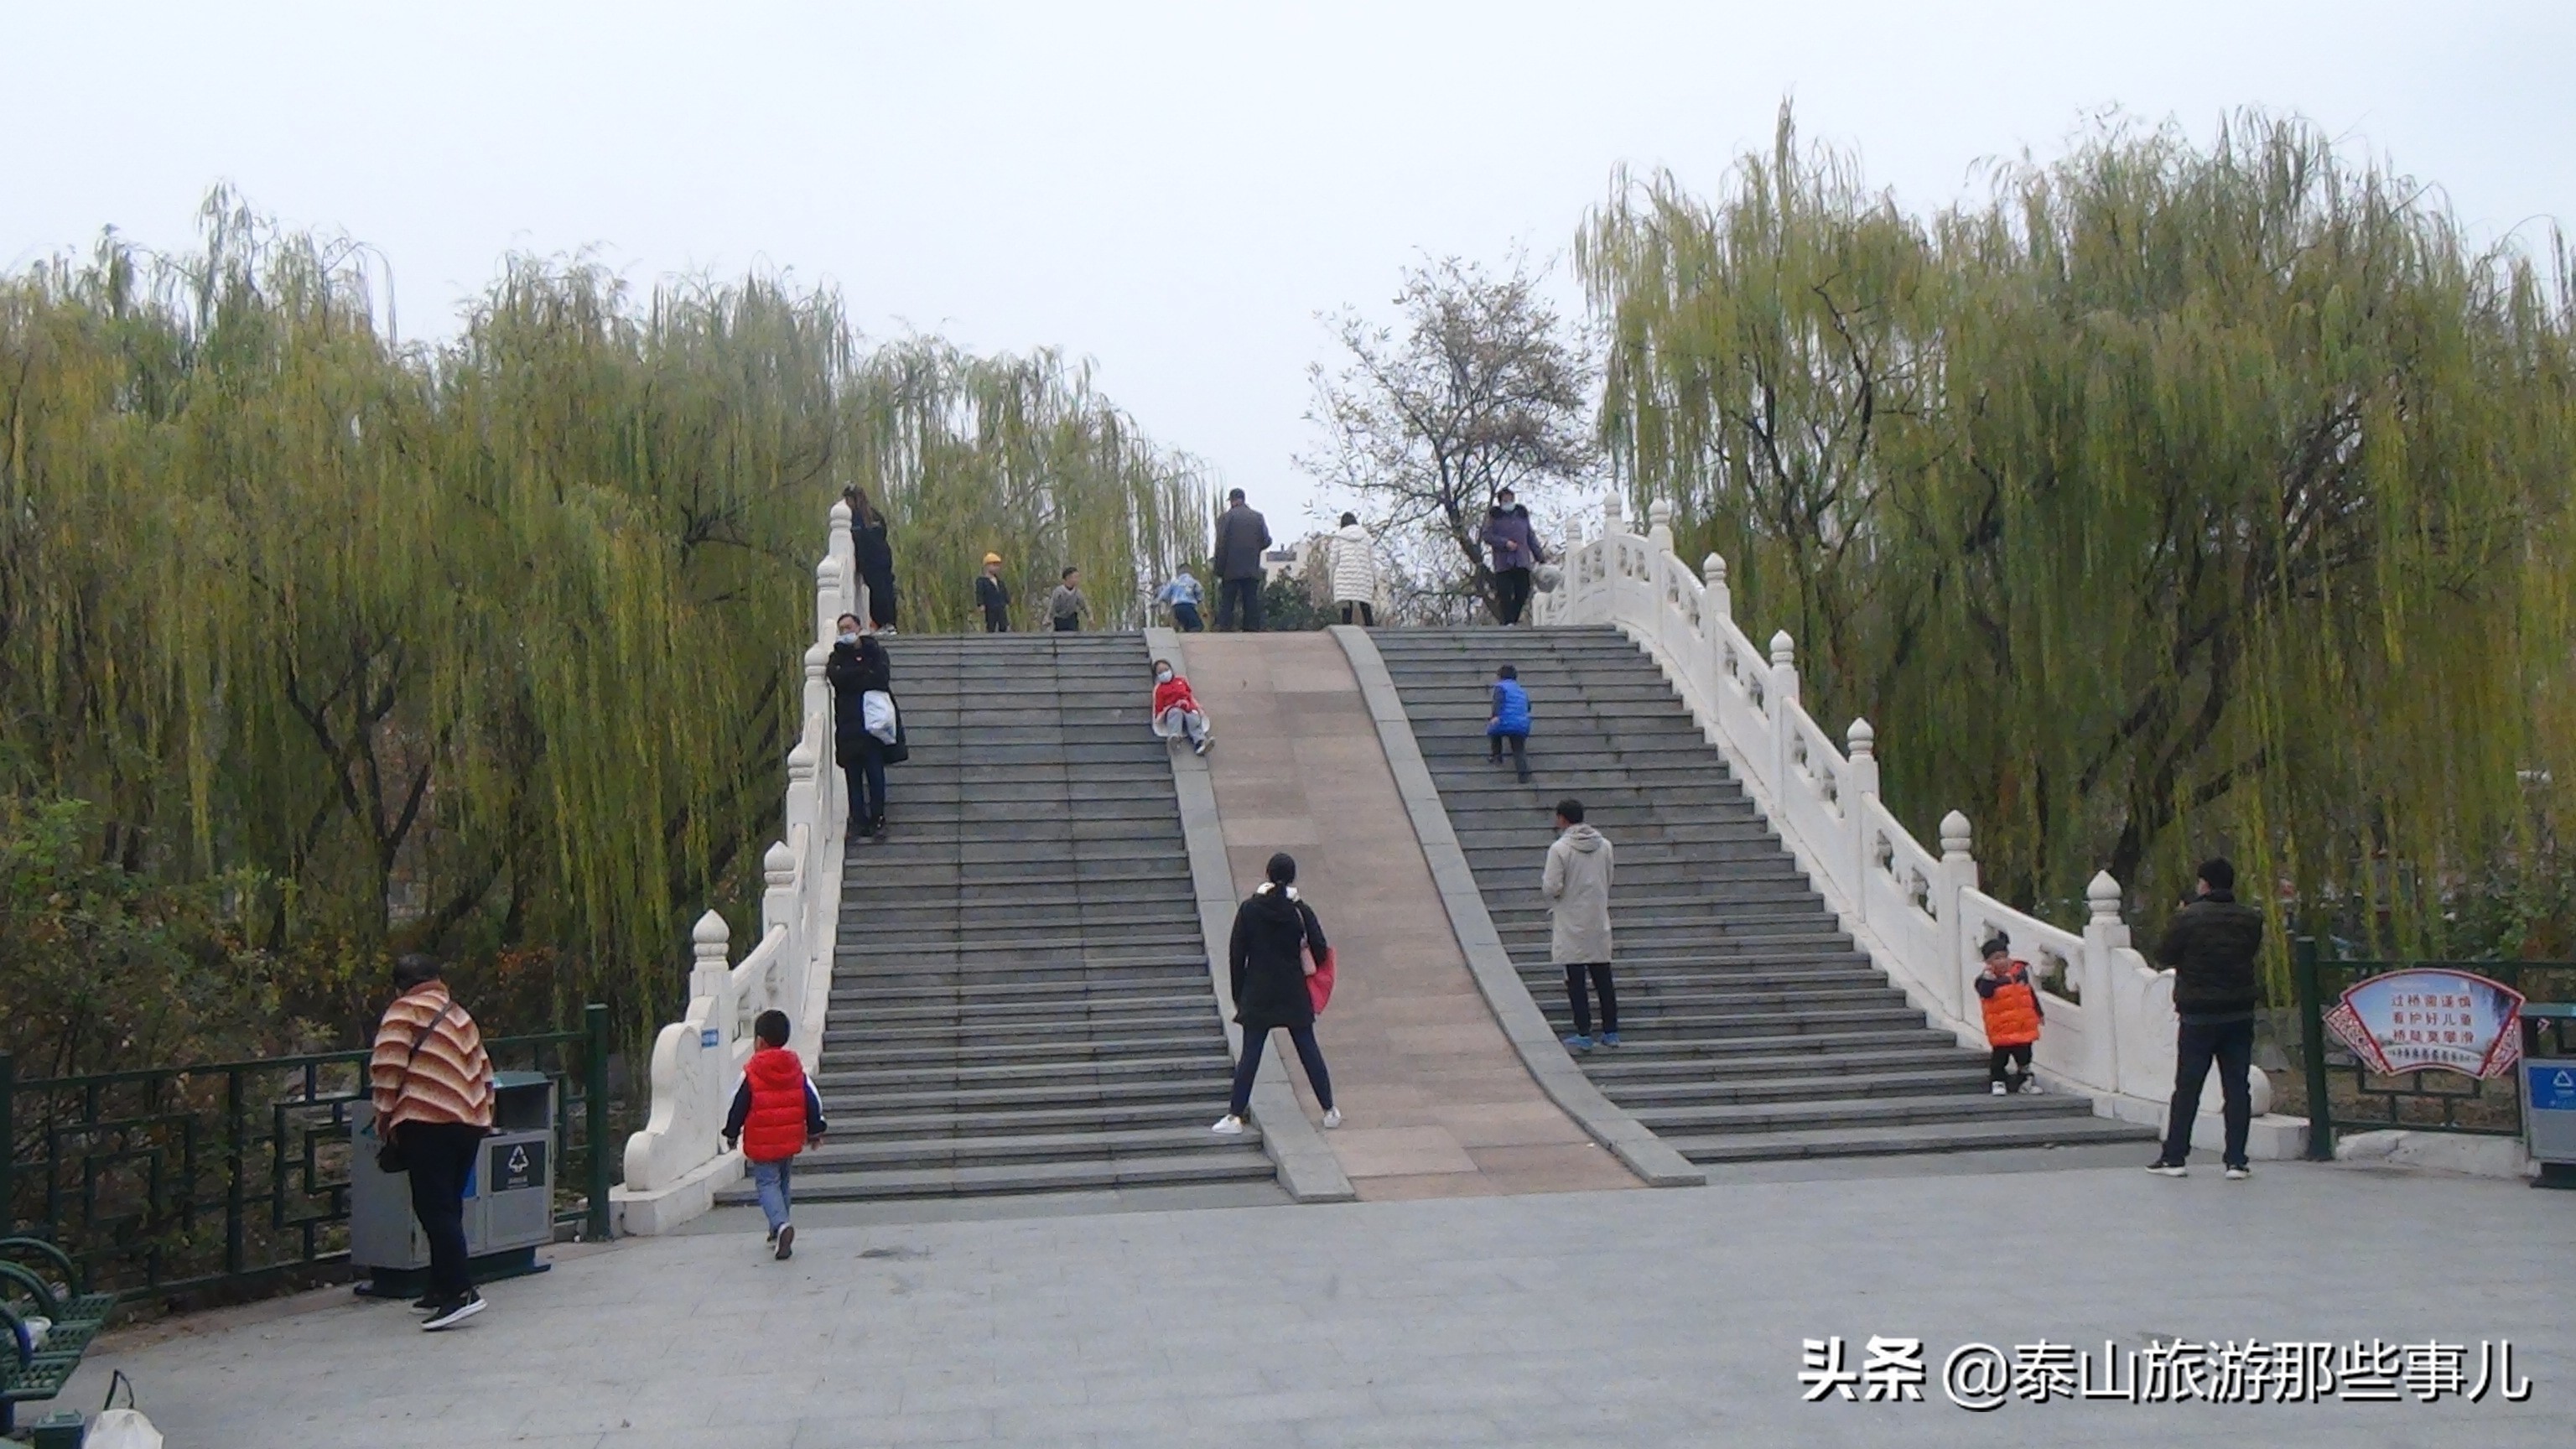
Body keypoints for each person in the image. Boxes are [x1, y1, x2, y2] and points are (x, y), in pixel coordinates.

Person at [368, 953, 494, 1332]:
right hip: (469, 1121)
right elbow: (485, 1070)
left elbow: (387, 1068)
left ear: (399, 986)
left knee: (434, 1208)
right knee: (448, 1205)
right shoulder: (458, 1014)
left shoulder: (403, 1012)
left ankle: (461, 1292)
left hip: (427, 1120)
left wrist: (384, 1119)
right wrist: (484, 1115)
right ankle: (439, 1286)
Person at [2147, 857, 2265, 1181]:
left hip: (2198, 1013)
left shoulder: (2188, 918)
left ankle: (2175, 1157)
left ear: (2204, 884)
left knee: (2188, 1086)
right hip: (2239, 1011)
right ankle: (2237, 1161)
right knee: (2237, 1087)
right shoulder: (2250, 919)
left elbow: (2164, 954)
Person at [1213, 853, 1341, 1135]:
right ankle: (1329, 1109)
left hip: (1258, 992)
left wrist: (1240, 994)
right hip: (1294, 990)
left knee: (1251, 1054)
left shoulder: (1249, 910)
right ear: (1292, 876)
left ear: (1268, 874)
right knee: (1308, 1048)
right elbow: (1319, 948)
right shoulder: (1300, 911)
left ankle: (1234, 1115)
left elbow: (1237, 955)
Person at [722, 1009, 828, 1261]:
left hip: (763, 1141)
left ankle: (781, 1225)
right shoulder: (795, 1070)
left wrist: (731, 1133)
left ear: (759, 1042)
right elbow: (811, 1100)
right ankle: (778, 1228)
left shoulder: (752, 1073)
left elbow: (739, 1105)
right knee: (782, 1183)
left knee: (767, 1184)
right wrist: (815, 1130)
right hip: (789, 1138)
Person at [1545, 798, 1618, 1051]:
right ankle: (1611, 1030)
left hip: (1570, 921)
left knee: (1575, 979)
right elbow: (1608, 879)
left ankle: (1584, 1032)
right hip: (1597, 918)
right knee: (1603, 976)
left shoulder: (1560, 849)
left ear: (1563, 819)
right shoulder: (1605, 846)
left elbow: (1551, 886)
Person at [826, 616, 891, 839]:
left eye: (849, 627)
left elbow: (881, 677)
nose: (845, 632)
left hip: (872, 726)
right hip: (847, 725)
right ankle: (858, 820)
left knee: (875, 775)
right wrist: (863, 672)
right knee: (852, 778)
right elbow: (837, 678)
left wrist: (853, 675)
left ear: (859, 628)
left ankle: (878, 818)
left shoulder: (875, 651)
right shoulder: (836, 657)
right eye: (841, 629)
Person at [1974, 934, 2044, 1095]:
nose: (2003, 961)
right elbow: (1985, 993)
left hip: (2023, 1026)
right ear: (1988, 962)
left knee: (2025, 1056)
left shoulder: (2020, 974)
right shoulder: (1985, 980)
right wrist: (1988, 979)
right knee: (2000, 1057)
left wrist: (2038, 1013)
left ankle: (2025, 1081)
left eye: (2005, 957)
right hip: (2002, 1027)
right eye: (1997, 958)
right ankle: (1998, 1081)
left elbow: (2030, 994)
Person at [1476, 486, 1544, 626]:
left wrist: (1540, 556)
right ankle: (1508, 622)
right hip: (1503, 562)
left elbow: (1530, 536)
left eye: (1511, 499)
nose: (1509, 502)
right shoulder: (1495, 517)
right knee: (1505, 593)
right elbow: (1487, 536)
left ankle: (1513, 618)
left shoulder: (1522, 516)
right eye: (1505, 500)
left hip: (1521, 560)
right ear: (1500, 502)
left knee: (1523, 591)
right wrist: (1504, 543)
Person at [1212, 488, 1270, 631]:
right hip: (1251, 566)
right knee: (1250, 599)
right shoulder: (1257, 517)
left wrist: (1218, 568)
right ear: (1243, 499)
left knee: (1228, 600)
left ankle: (1225, 628)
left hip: (1230, 567)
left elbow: (1221, 544)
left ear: (1232, 500)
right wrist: (1254, 549)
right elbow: (1266, 540)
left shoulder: (1226, 518)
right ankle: (1252, 629)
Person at [844, 486, 899, 634]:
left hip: (871, 561)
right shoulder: (874, 515)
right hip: (882, 558)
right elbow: (884, 532)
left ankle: (885, 624)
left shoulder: (855, 518)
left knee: (879, 592)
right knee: (884, 590)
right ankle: (888, 624)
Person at [1150, 657, 1212, 756]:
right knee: (1175, 713)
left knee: (1193, 717)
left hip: (1187, 708)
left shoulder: (1181, 681)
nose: (1165, 673)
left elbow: (1190, 696)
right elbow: (1159, 709)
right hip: (1173, 710)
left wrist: (1199, 709)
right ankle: (1175, 738)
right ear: (1157, 675)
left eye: (1166, 670)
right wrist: (1168, 709)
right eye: (1161, 672)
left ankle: (1200, 743)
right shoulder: (1160, 690)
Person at [1329, 512, 1379, 626]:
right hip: (1363, 576)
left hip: (1344, 576)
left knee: (1347, 607)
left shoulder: (1339, 537)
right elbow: (1372, 560)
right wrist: (1375, 579)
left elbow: (1333, 561)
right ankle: (1371, 630)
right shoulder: (1366, 537)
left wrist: (1331, 580)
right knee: (1365, 604)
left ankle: (1347, 631)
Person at [1487, 663, 1532, 783]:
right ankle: (1523, 775)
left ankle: (1496, 756)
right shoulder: (1521, 690)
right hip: (1521, 724)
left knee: (1494, 731)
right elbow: (1528, 707)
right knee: (1518, 750)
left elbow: (1498, 702)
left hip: (1505, 721)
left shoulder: (1501, 687)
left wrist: (1495, 716)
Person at [1158, 568, 1206, 632]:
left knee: (1187, 627)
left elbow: (1164, 595)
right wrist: (1199, 600)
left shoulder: (1174, 582)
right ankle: (1194, 639)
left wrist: (1160, 601)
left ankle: (1188, 638)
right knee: (1198, 626)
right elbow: (1199, 591)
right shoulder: (1193, 581)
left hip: (1176, 607)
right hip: (1188, 605)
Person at [976, 553, 1011, 632]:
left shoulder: (999, 582)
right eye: (994, 565)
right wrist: (981, 604)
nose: (997, 568)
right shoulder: (982, 581)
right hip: (990, 607)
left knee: (1003, 625)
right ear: (987, 566)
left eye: (998, 565)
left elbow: (1003, 592)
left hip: (1001, 606)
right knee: (991, 625)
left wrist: (1008, 600)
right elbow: (979, 593)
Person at [1048, 567, 1088, 632]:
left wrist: (1090, 617)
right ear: (1068, 578)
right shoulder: (1059, 591)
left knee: (1073, 637)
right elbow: (1052, 605)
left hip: (1071, 619)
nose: (1077, 580)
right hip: (1059, 619)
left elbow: (1084, 606)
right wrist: (1048, 618)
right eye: (1075, 577)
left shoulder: (1077, 592)